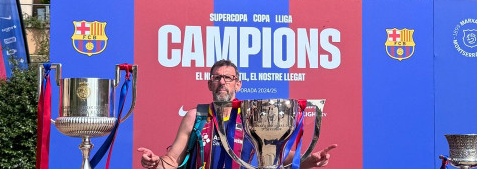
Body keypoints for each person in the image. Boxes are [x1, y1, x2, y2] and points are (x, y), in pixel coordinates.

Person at [138, 60, 336, 169]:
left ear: (238, 84)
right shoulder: (195, 116)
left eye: (228, 78)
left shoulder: (252, 117)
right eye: (217, 78)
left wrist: (307, 160)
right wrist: (155, 163)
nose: (222, 82)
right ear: (209, 83)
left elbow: (275, 155)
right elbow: (172, 160)